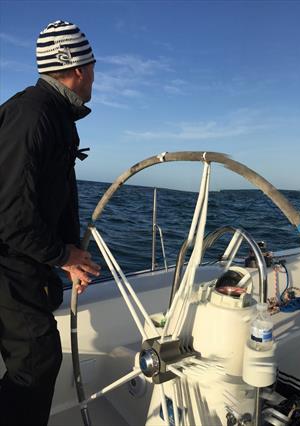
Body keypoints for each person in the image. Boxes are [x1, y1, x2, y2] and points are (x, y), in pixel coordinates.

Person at [0, 20, 101, 425]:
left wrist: (70, 254)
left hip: (24, 261)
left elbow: (51, 196)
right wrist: (61, 254)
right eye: (92, 66)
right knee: (37, 360)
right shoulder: (34, 116)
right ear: (78, 69)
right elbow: (10, 215)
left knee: (37, 358)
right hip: (9, 264)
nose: (95, 75)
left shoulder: (52, 115)